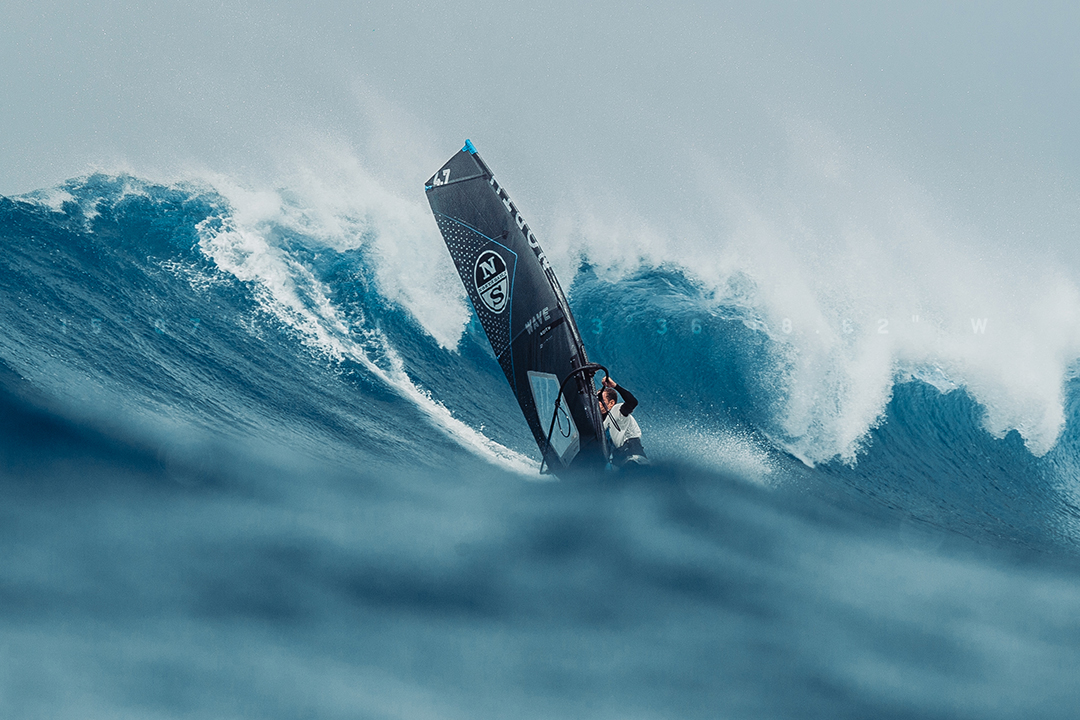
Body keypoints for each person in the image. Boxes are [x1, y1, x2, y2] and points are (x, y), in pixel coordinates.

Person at [598, 376, 648, 468]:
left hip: (634, 458)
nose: (597, 402)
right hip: (620, 461)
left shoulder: (617, 411)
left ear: (611, 403)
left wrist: (615, 386)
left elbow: (632, 402)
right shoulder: (601, 422)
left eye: (601, 400)